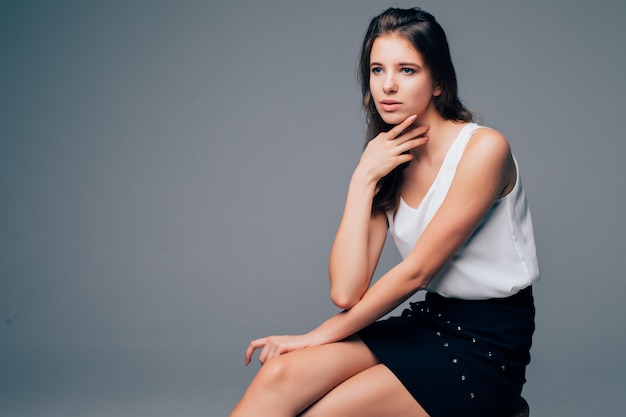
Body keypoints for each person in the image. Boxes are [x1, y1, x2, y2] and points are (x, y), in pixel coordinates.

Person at [229, 7, 539, 417]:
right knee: (279, 375)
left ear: (438, 83)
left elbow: (417, 272)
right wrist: (362, 179)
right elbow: (345, 291)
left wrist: (316, 336)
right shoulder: (387, 159)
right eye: (377, 70)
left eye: (407, 70)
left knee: (322, 414)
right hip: (430, 321)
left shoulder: (483, 150)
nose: (388, 86)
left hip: (486, 344)